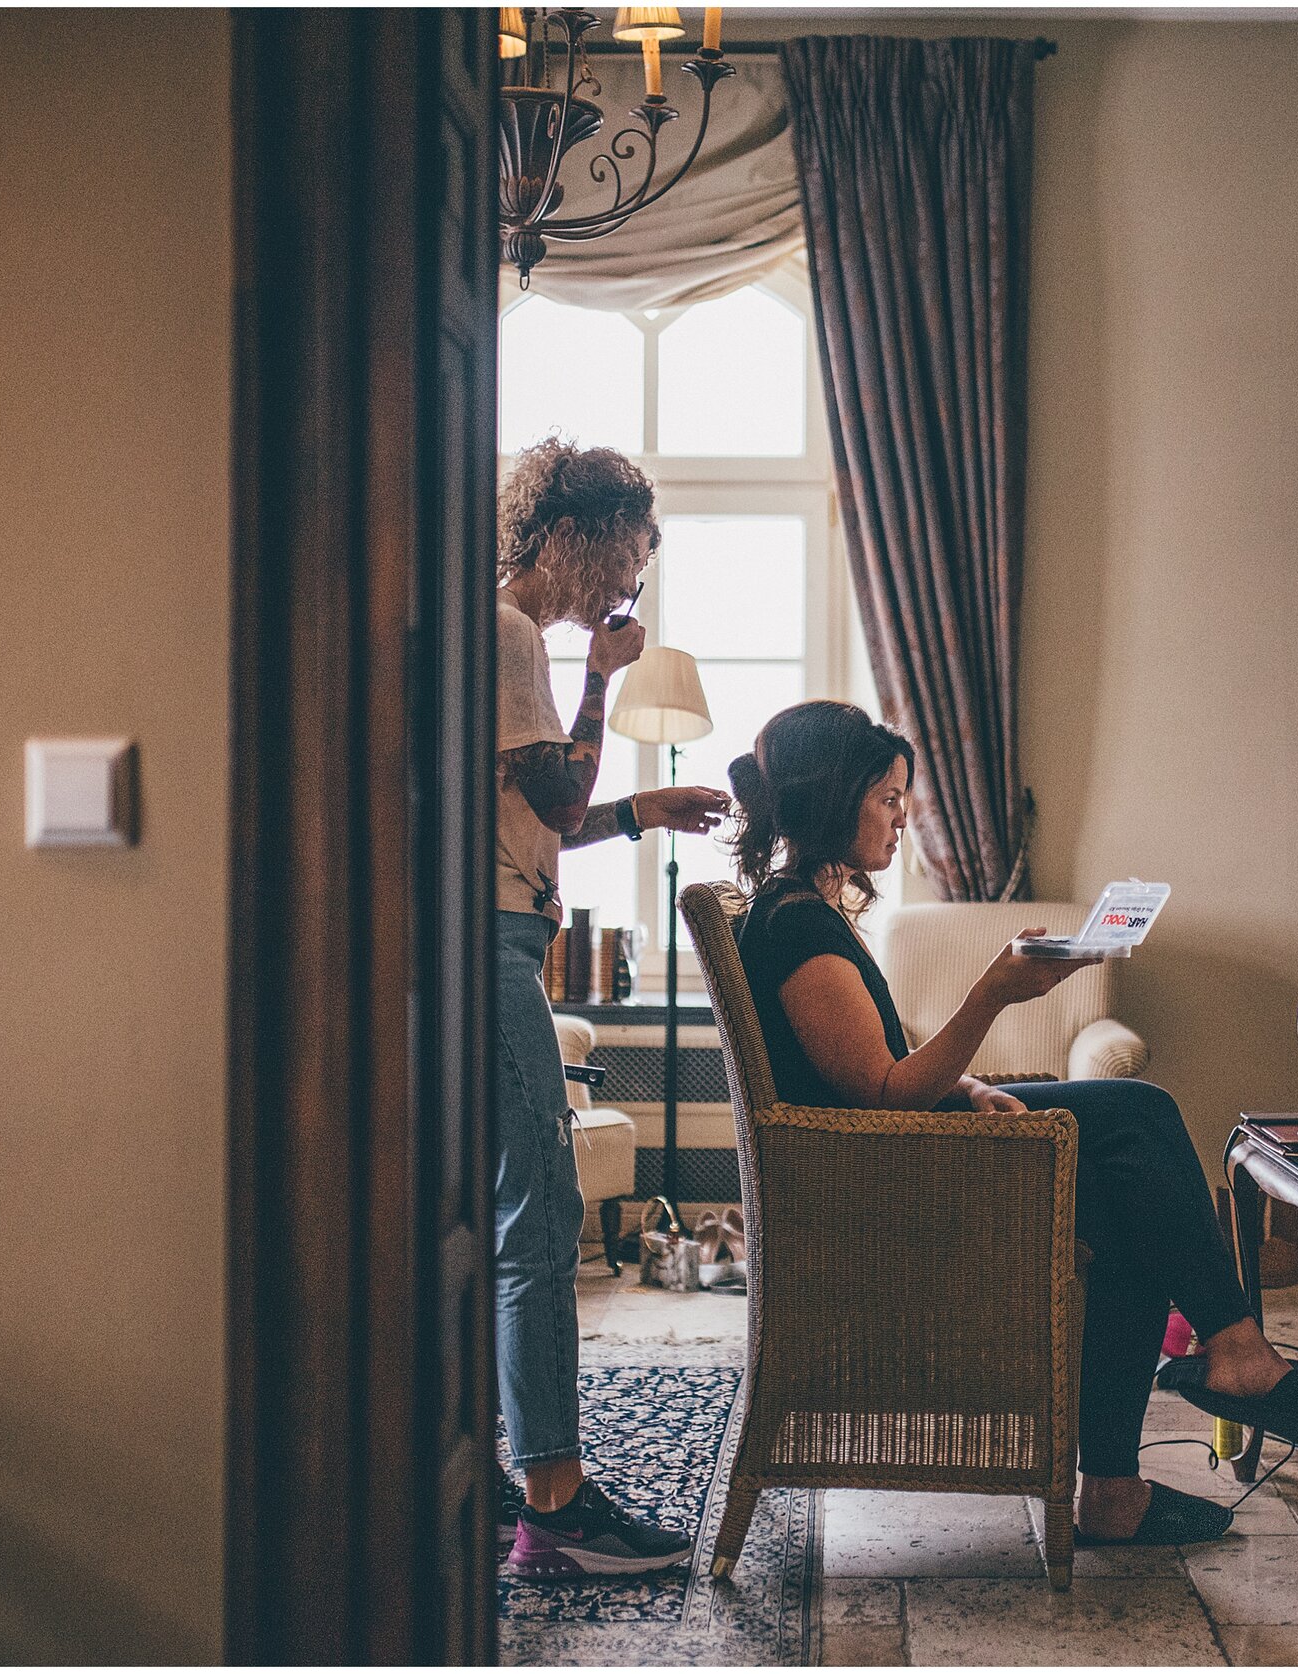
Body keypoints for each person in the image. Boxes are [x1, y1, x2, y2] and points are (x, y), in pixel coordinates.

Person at [725, 700, 1298, 1547]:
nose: (902, 819)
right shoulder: (798, 929)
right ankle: (1236, 1352)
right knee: (1141, 1116)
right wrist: (992, 995)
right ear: (830, 799)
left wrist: (966, 1088)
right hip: (883, 1191)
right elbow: (885, 1097)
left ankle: (1116, 1489)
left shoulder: (796, 913)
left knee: (1128, 1207)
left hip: (891, 1162)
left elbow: (863, 1070)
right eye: (887, 799)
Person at [493, 439, 733, 1578]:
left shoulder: (504, 640)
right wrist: (601, 673)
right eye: (631, 554)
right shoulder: (506, 636)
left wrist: (645, 811)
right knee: (537, 1222)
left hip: (498, 935)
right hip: (490, 949)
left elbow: (546, 816)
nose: (632, 584)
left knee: (494, 1223)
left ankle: (502, 1481)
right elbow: (556, 788)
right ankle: (555, 1504)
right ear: (581, 537)